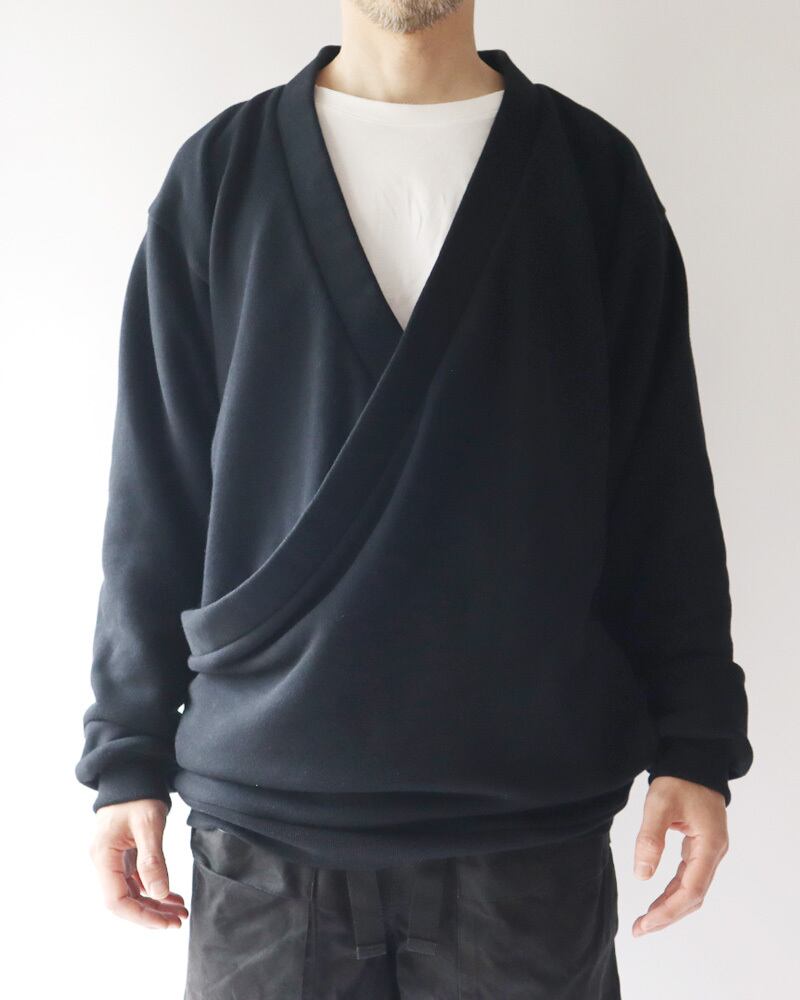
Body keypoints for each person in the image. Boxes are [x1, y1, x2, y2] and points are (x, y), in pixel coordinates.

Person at [75, 2, 754, 997]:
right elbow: (156, 486)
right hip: (267, 832)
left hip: (524, 833)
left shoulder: (588, 174)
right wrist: (125, 756)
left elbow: (662, 491)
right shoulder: (221, 174)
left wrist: (695, 743)